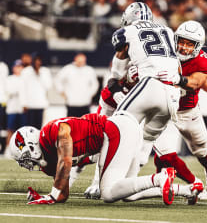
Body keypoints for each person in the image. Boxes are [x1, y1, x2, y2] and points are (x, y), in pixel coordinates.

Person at [9, 112, 175, 205]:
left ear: (31, 147)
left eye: (25, 158)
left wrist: (52, 195)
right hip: (116, 136)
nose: (27, 164)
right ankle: (186, 189)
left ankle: (159, 178)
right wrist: (49, 197)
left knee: (108, 193)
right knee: (127, 194)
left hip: (115, 130)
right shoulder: (51, 161)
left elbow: (66, 160)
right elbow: (62, 195)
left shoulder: (50, 133)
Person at [154, 20, 207, 200]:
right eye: (181, 41)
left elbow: (197, 82)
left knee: (203, 152)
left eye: (189, 44)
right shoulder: (164, 53)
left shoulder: (204, 61)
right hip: (166, 111)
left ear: (198, 46)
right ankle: (168, 182)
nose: (183, 47)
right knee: (165, 153)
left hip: (189, 111)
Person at [56, 53, 99, 117]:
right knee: (71, 125)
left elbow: (95, 85)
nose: (81, 63)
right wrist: (62, 92)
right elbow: (58, 80)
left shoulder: (89, 70)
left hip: (85, 104)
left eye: (82, 61)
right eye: (79, 61)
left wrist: (90, 94)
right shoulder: (68, 69)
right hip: (72, 104)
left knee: (85, 125)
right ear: (75, 60)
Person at [20, 54, 52, 129]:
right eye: (35, 60)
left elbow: (48, 86)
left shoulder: (45, 71)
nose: (37, 63)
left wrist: (39, 73)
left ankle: (38, 141)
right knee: (29, 128)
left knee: (39, 128)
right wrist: (23, 103)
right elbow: (22, 88)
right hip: (29, 105)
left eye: (39, 60)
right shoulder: (26, 71)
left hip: (40, 104)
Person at [5, 60, 25, 151]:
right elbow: (10, 91)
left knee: (21, 131)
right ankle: (8, 149)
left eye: (20, 67)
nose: (19, 69)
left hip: (22, 108)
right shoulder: (9, 79)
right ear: (13, 68)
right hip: (12, 108)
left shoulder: (25, 79)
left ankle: (20, 149)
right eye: (17, 67)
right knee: (10, 129)